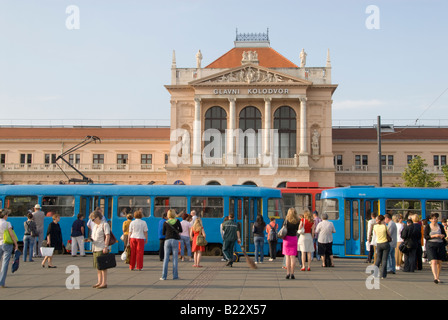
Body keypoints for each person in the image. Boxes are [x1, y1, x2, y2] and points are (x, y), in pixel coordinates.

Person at [88, 210, 110, 289]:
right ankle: (99, 281)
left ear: (98, 217)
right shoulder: (95, 226)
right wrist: (90, 239)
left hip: (101, 247)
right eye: (92, 220)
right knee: (98, 267)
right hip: (95, 248)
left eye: (93, 219)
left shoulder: (105, 225)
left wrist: (106, 246)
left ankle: (104, 283)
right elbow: (94, 237)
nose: (93, 221)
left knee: (103, 266)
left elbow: (107, 236)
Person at [424, 213, 447, 284]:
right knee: (433, 261)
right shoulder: (428, 227)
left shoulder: (440, 226)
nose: (434, 220)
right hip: (431, 245)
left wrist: (442, 235)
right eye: (433, 218)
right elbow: (426, 236)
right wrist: (434, 236)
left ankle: (438, 276)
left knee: (439, 262)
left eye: (436, 218)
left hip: (440, 244)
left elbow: (444, 234)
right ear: (430, 220)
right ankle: (435, 278)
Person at [161, 209, 182, 280]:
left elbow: (163, 233)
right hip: (175, 240)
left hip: (167, 240)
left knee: (166, 258)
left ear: (168, 215)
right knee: (175, 258)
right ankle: (175, 276)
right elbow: (181, 230)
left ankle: (164, 276)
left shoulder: (165, 222)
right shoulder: (177, 221)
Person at [0, 209, 19, 288]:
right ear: (5, 216)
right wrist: (16, 244)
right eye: (7, 215)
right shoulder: (7, 223)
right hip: (6, 244)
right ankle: (1, 282)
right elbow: (12, 235)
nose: (7, 216)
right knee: (5, 263)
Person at [282, 208, 300, 279]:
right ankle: (292, 274)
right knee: (293, 257)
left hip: (286, 239)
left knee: (287, 257)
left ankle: (287, 273)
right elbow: (298, 230)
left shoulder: (286, 220)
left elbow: (283, 229)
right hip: (293, 239)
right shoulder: (297, 221)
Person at [373, 215, 391, 279]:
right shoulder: (384, 226)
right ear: (383, 220)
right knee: (384, 260)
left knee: (378, 259)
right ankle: (383, 275)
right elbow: (389, 234)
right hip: (385, 243)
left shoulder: (375, 227)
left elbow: (375, 234)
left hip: (379, 244)